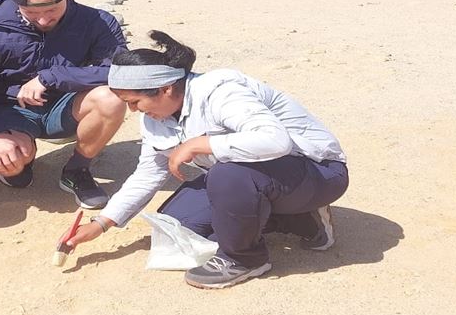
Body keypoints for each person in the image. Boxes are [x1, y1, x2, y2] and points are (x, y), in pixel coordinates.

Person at [65, 30, 349, 289]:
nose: (133, 111)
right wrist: (102, 223)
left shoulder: (220, 91)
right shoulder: (156, 117)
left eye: (135, 102)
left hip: (315, 171)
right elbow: (147, 174)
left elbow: (274, 140)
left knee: (227, 177)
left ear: (165, 89)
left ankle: (245, 259)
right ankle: (298, 220)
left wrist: (202, 143)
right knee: (179, 224)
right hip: (256, 177)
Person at [0, 0, 127, 208]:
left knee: (111, 99)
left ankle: (76, 170)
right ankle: (21, 160)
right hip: (10, 111)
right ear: (17, 3)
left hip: (65, 105)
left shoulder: (97, 21)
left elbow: (120, 72)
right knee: (13, 165)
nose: (42, 19)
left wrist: (52, 77)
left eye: (52, 10)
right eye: (30, 12)